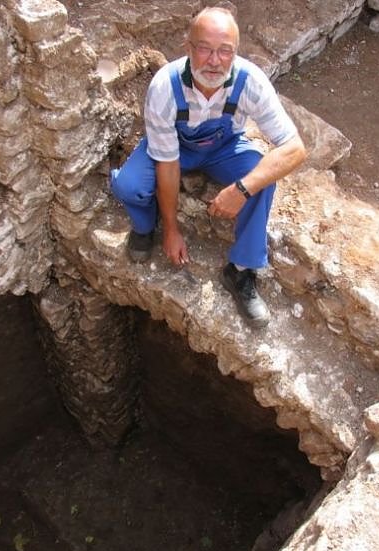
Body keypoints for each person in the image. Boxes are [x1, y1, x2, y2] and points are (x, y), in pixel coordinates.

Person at [110, 6, 307, 328]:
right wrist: (171, 230)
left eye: (225, 51)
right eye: (205, 49)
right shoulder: (165, 87)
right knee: (129, 187)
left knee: (261, 179)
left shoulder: (250, 81)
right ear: (188, 48)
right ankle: (146, 227)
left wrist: (242, 189)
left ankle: (240, 271)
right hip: (174, 148)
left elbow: (295, 148)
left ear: (235, 52)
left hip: (223, 148)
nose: (214, 61)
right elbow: (167, 163)